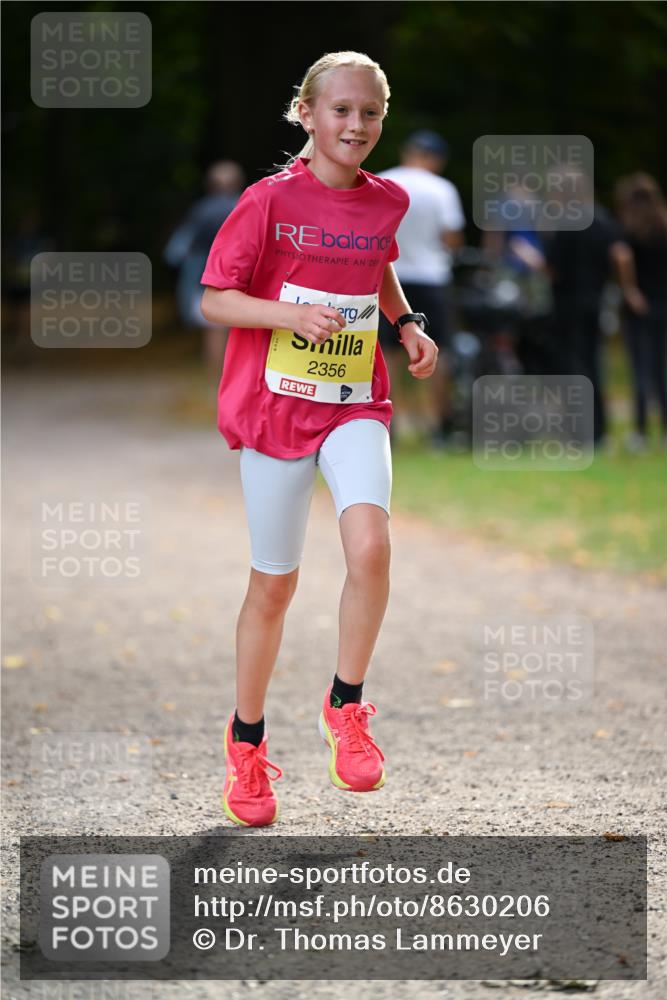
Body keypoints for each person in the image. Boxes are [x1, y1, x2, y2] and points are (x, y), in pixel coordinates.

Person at [199, 51, 438, 827]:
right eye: (340, 110)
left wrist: (406, 324)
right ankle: (246, 742)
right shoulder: (267, 201)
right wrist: (289, 315)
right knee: (274, 585)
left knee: (370, 547)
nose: (355, 124)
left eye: (369, 113)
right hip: (274, 407)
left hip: (352, 399)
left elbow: (375, 266)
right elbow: (215, 300)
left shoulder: (388, 199)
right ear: (306, 113)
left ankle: (346, 706)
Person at [378, 130, 465, 444]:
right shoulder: (441, 189)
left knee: (387, 352)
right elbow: (452, 238)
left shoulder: (382, 182)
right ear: (434, 159)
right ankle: (439, 426)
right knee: (438, 350)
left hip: (389, 278)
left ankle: (388, 423)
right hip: (431, 277)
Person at [545, 168, 625, 448]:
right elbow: (619, 257)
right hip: (597, 302)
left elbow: (553, 269)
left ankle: (579, 432)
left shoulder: (565, 223)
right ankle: (599, 430)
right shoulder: (603, 219)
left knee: (572, 367)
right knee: (594, 364)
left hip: (568, 306)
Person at [164, 161, 245, 373]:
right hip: (239, 278)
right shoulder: (245, 206)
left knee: (214, 329)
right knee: (234, 330)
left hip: (204, 279)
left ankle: (216, 376)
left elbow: (180, 249)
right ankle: (231, 374)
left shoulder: (201, 210)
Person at [611, 173, 667, 452]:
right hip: (663, 304)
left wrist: (630, 289)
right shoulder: (663, 224)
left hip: (639, 306)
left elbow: (621, 256)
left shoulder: (630, 228)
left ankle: (641, 432)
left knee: (641, 369)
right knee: (662, 369)